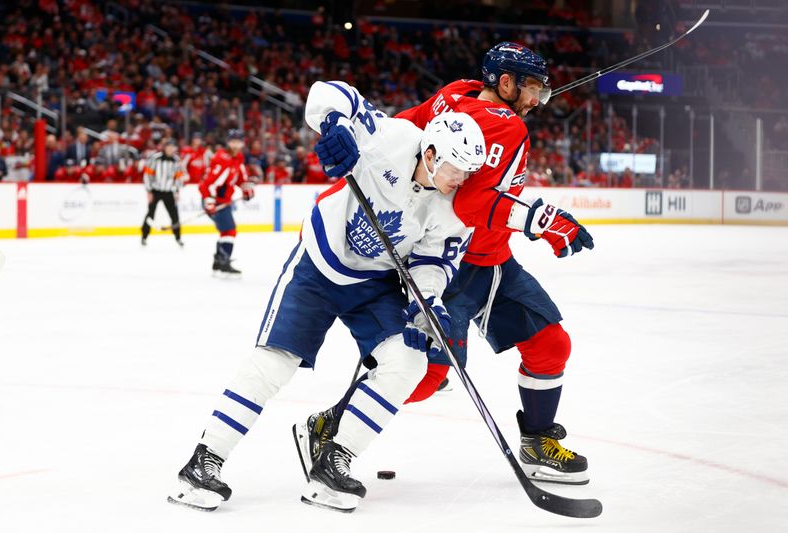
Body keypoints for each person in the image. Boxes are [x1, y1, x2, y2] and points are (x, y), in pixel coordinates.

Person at [168, 80, 486, 513]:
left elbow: (433, 260)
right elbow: (330, 93)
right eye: (456, 167)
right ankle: (203, 463)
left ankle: (334, 462)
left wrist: (427, 303)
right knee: (274, 363)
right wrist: (334, 124)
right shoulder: (393, 137)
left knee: (408, 362)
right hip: (319, 265)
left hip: (375, 284)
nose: (461, 178)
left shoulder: (455, 204)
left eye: (468, 171)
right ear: (430, 154)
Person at [297, 42, 595, 486]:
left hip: (495, 260)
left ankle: (536, 443)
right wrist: (543, 221)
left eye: (542, 92)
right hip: (447, 263)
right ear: (506, 82)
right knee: (427, 375)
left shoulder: (459, 94)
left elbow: (403, 129)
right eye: (533, 89)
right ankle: (329, 425)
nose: (537, 100)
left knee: (551, 344)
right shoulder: (507, 125)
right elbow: (471, 202)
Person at [198, 129, 256, 277]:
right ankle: (223, 264)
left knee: (227, 231)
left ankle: (218, 264)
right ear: (228, 142)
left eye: (238, 142)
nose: (236, 145)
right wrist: (209, 201)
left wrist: (246, 189)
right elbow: (207, 184)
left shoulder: (238, 158)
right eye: (233, 141)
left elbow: (241, 178)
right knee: (230, 230)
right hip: (214, 200)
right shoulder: (222, 158)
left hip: (223, 201)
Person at [141, 139, 186, 247]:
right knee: (150, 214)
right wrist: (149, 191)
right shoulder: (155, 158)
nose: (171, 149)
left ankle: (178, 238)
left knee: (174, 215)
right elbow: (147, 175)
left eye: (173, 147)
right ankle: (144, 237)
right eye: (168, 146)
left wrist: (177, 191)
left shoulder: (176, 160)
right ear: (164, 148)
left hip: (169, 192)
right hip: (155, 191)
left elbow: (179, 178)